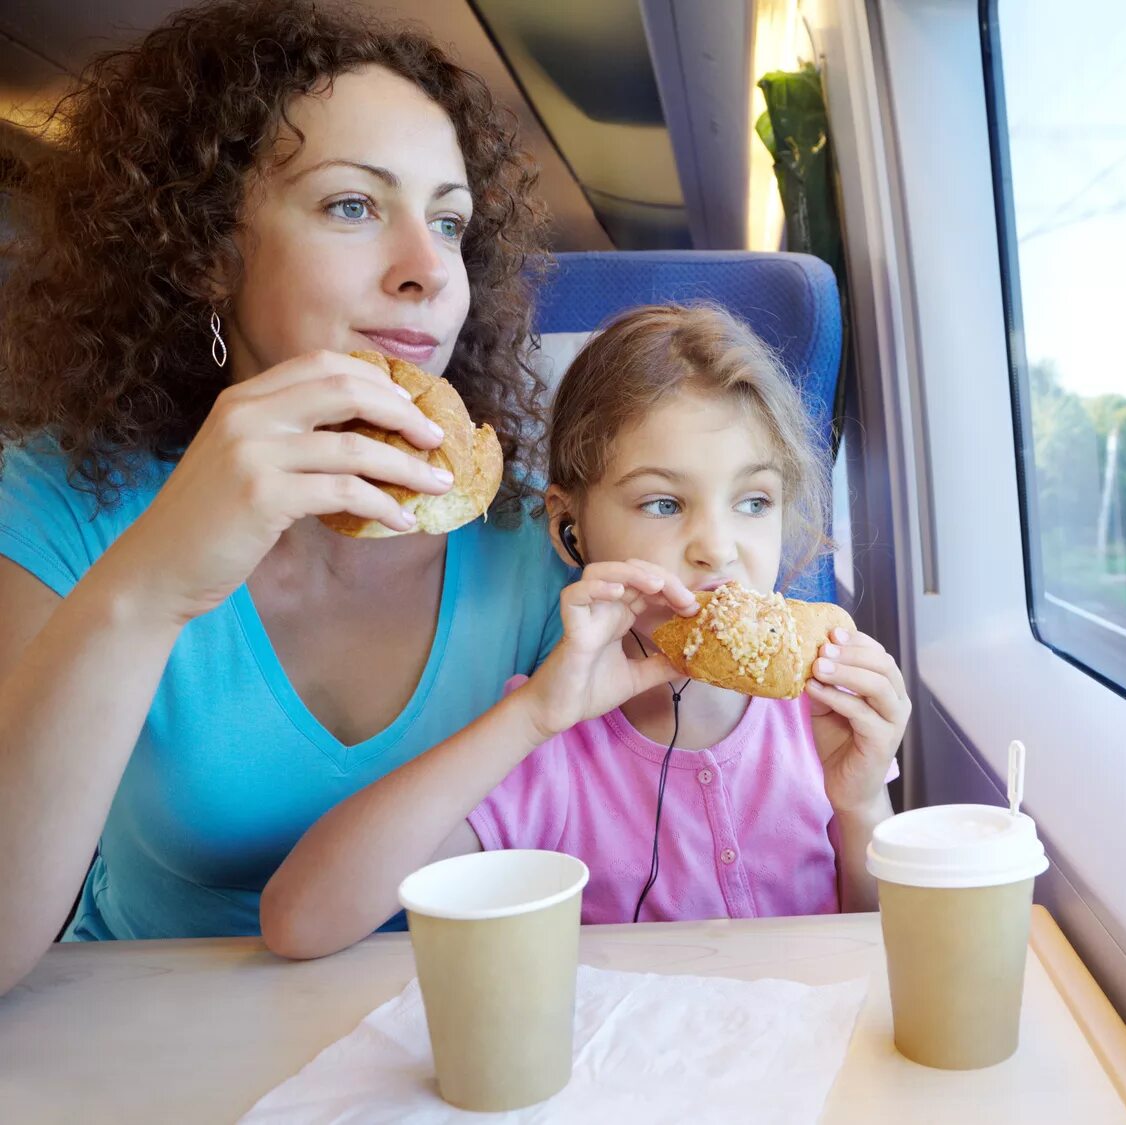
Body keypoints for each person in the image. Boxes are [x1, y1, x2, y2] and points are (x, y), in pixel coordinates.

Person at [0, 1, 695, 994]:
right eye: (353, 206)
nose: (427, 271)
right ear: (207, 250)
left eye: (448, 221)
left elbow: (632, 859)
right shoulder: (59, 503)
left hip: (449, 1017)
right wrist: (153, 583)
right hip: (147, 1026)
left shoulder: (537, 537)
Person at [261, 305, 909, 959]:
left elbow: (885, 949)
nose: (718, 548)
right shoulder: (551, 743)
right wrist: (533, 716)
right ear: (573, 528)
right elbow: (301, 921)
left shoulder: (819, 714)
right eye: (663, 502)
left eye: (753, 501)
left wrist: (860, 806)